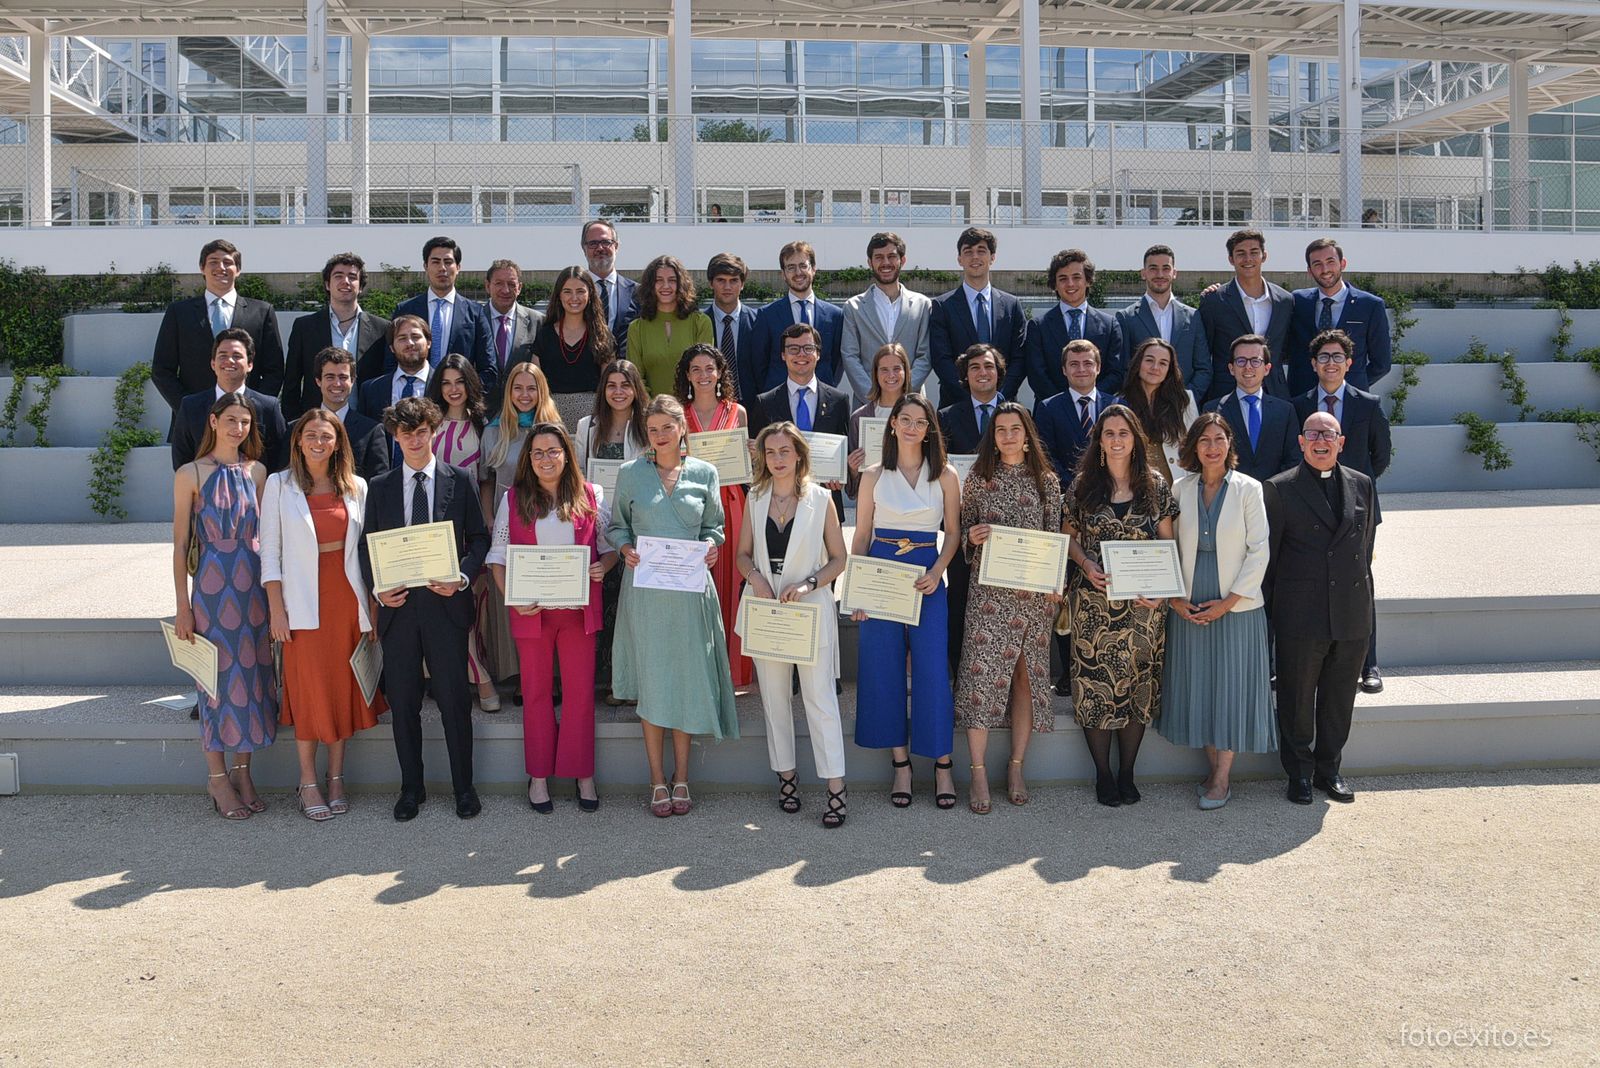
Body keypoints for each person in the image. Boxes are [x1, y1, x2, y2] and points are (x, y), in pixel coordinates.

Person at [359, 396, 490, 821]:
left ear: (433, 432)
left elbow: (481, 540)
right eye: (405, 433)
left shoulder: (460, 479)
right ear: (395, 438)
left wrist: (463, 577)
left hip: (445, 605)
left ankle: (463, 788)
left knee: (454, 701)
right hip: (398, 609)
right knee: (404, 702)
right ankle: (410, 788)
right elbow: (367, 548)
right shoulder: (379, 487)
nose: (414, 440)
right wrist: (379, 590)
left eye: (421, 432)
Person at [607, 395, 739, 817]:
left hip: (689, 592)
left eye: (668, 427)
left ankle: (682, 777)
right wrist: (624, 547)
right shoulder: (630, 474)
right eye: (653, 428)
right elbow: (616, 526)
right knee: (654, 681)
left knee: (682, 680)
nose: (660, 435)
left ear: (682, 428)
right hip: (645, 593)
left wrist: (710, 546)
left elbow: (715, 527)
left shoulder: (705, 472)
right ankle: (656, 780)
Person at [260, 409, 383, 821]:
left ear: (338, 442)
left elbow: (368, 552)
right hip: (301, 607)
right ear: (297, 441)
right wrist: (277, 610)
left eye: (326, 436)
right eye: (310, 434)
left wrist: (372, 607)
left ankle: (336, 777)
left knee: (340, 692)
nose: (318, 442)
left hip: (347, 603)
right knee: (310, 693)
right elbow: (271, 555)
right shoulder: (279, 485)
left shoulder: (357, 486)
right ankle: (308, 780)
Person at [487, 422, 615, 814]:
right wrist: (513, 595)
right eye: (538, 452)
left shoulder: (590, 494)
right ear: (528, 458)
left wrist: (603, 568)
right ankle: (539, 775)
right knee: (537, 694)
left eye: (553, 451)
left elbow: (609, 547)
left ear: (567, 455)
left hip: (578, 614)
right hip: (533, 614)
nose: (546, 459)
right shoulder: (513, 498)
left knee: (578, 695)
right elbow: (497, 557)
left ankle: (582, 774)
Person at [734, 423, 851, 827]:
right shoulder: (756, 497)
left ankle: (836, 787)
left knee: (819, 698)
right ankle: (787, 777)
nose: (778, 459)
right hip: (767, 609)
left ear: (799, 454)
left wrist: (808, 584)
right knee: (774, 697)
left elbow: (839, 559)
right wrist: (756, 579)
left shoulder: (821, 499)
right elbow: (742, 555)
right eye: (771, 452)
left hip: (808, 607)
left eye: (785, 451)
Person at [1061, 404, 1178, 807]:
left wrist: (1164, 588)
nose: (1115, 440)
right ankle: (1104, 775)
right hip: (1095, 607)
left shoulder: (1157, 485)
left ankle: (1128, 772)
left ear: (1135, 439)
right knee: (1097, 691)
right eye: (1108, 433)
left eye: (1122, 433)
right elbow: (1068, 537)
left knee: (1137, 689)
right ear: (1099, 441)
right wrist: (1084, 561)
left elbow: (1168, 542)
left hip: (1145, 610)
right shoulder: (1082, 486)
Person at [1158, 414, 1275, 811]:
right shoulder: (1180, 488)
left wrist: (1228, 603)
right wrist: (1174, 598)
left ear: (1230, 444)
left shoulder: (1249, 489)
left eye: (1219, 438)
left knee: (1229, 688)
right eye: (1204, 439)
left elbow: (1260, 550)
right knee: (1202, 687)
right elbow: (1167, 548)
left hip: (1236, 603)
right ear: (1193, 446)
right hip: (1189, 598)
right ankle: (1212, 771)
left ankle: (1222, 779)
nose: (1212, 446)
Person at [851, 394, 962, 809]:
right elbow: (861, 536)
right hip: (881, 575)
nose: (913, 427)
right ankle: (900, 763)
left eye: (921, 421)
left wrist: (937, 571)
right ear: (893, 424)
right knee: (884, 666)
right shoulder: (873, 475)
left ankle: (942, 763)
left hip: (926, 577)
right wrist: (858, 590)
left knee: (933, 667)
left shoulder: (946, 474)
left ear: (930, 428)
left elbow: (952, 532)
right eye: (906, 419)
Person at [170, 392, 276, 820]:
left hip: (253, 588)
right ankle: (217, 780)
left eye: (245, 422)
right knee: (213, 683)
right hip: (213, 591)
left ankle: (243, 771)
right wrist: (181, 604)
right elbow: (179, 544)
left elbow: (268, 539)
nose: (238, 428)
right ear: (213, 422)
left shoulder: (259, 472)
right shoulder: (190, 472)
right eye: (231, 420)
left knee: (252, 679)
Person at [955, 402, 1063, 814]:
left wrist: (1055, 585)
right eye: (1000, 429)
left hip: (1033, 597)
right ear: (992, 435)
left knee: (1024, 678)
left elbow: (1055, 538)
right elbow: (962, 529)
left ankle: (1016, 766)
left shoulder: (1047, 482)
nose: (1008, 436)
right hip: (989, 596)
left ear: (1027, 433)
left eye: (1015, 429)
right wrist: (974, 536)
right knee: (981, 679)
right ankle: (979, 770)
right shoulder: (979, 478)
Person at [1264, 411, 1376, 805]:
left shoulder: (1363, 484)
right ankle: (1299, 773)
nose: (1321, 440)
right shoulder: (1278, 488)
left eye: (1329, 433)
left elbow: (1365, 551)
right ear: (1301, 442)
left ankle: (1330, 769)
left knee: (1339, 699)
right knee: (1296, 699)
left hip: (1350, 611)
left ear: (1341, 442)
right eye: (1313, 433)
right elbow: (1270, 561)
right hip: (1301, 613)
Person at [1293, 327, 1392, 695]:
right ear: (1313, 364)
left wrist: (1353, 487)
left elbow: (1379, 457)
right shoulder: (1299, 404)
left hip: (1358, 508)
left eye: (1337, 357)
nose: (1330, 363)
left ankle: (1369, 664)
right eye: (1323, 357)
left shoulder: (1369, 404)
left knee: (1359, 581)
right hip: (1309, 507)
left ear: (1349, 363)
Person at [479, 362, 563, 699]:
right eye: (518, 388)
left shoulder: (554, 429)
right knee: (516, 601)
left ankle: (553, 674)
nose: (524, 395)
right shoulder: (493, 431)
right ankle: (521, 675)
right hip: (508, 522)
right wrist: (488, 518)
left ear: (541, 391)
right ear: (509, 392)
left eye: (532, 388)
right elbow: (486, 481)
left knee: (551, 600)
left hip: (548, 523)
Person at [424, 353, 500, 711]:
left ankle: (473, 675)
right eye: (446, 383)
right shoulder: (428, 423)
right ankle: (475, 678)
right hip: (433, 527)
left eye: (459, 382)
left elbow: (487, 479)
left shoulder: (484, 424)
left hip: (471, 526)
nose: (453, 390)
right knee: (441, 604)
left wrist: (486, 519)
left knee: (470, 605)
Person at [676, 342, 753, 690]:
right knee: (699, 585)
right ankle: (700, 670)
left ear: (720, 372)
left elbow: (748, 468)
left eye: (710, 368)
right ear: (687, 376)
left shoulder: (738, 411)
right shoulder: (678, 413)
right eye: (696, 370)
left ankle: (734, 671)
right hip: (693, 507)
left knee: (732, 582)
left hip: (732, 502)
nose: (704, 375)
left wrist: (751, 454)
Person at [574, 359, 650, 705]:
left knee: (631, 608)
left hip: (637, 525)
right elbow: (575, 476)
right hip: (599, 523)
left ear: (636, 390)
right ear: (602, 391)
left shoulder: (649, 427)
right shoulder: (586, 427)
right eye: (612, 386)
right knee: (603, 602)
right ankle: (608, 681)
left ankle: (633, 681)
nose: (619, 392)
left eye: (625, 385)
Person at [937, 342, 1006, 677]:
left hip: (1008, 527)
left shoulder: (1017, 413)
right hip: (963, 526)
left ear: (999, 372)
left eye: (989, 366)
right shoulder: (947, 417)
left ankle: (998, 674)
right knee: (961, 601)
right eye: (975, 367)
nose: (983, 372)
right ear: (965, 375)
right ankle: (961, 672)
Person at [152, 238, 285, 411]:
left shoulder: (261, 312)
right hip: (193, 422)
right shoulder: (179, 312)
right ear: (202, 268)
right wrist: (189, 407)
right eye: (213, 262)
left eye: (227, 262)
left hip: (246, 420)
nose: (221, 268)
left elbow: (274, 370)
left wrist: (254, 408)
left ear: (238, 270)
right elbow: (162, 370)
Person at [280, 252, 390, 420]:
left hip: (366, 424)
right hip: (316, 424)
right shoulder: (305, 327)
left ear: (360, 286)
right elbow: (291, 383)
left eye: (352, 277)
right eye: (338, 276)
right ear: (327, 284)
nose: (345, 281)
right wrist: (295, 423)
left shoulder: (381, 329)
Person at [387, 236, 499, 398]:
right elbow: (390, 361)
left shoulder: (475, 313)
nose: (442, 268)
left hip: (457, 405)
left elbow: (488, 370)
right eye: (435, 262)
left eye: (448, 262)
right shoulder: (405, 309)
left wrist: (462, 395)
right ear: (425, 266)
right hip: (414, 400)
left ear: (458, 267)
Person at [929, 226, 1028, 404]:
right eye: (968, 252)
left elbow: (1019, 359)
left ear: (992, 257)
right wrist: (971, 399)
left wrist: (999, 397)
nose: (975, 257)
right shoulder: (942, 306)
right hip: (957, 406)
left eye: (981, 251)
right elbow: (941, 359)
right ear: (960, 259)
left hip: (1003, 407)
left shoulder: (1012, 305)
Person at [170, 328, 289, 472]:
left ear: (250, 365)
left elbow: (281, 457)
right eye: (223, 355)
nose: (229, 361)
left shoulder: (269, 407)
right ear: (213, 363)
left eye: (237, 356)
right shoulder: (190, 406)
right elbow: (182, 459)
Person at [1197, 229, 1293, 402]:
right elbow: (1205, 352)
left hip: (1274, 393)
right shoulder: (1214, 301)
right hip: (1226, 394)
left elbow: (1285, 348)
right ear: (1231, 259)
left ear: (1264, 256)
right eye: (1240, 253)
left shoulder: (1285, 301)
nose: (1248, 259)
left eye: (1254, 252)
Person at [1288, 237, 1392, 394]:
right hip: (1303, 398)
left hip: (1350, 400)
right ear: (1309, 271)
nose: (1325, 269)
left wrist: (1352, 385)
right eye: (1317, 264)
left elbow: (1382, 363)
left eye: (1331, 262)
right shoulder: (1297, 301)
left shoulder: (1370, 305)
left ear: (1342, 264)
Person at [840, 231, 933, 399]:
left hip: (912, 403)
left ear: (902, 260)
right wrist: (873, 395)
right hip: (867, 402)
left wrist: (904, 393)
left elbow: (925, 356)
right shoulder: (853, 308)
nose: (886, 263)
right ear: (870, 262)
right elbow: (850, 357)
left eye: (891, 256)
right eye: (879, 257)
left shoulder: (923, 305)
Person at [1026, 248, 1126, 399]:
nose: (1070, 284)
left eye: (1076, 277)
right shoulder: (1038, 326)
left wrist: (1089, 400)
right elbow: (1037, 375)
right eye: (1063, 278)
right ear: (1055, 285)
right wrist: (1066, 405)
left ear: (1088, 281)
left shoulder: (1110, 325)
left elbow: (1116, 373)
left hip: (1098, 414)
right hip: (1052, 415)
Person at [1117, 244, 1211, 402]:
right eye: (1153, 268)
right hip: (1141, 407)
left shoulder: (1193, 317)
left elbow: (1204, 368)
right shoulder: (1126, 318)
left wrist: (1187, 398)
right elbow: (1124, 368)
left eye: (1166, 268)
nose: (1160, 274)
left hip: (1183, 407)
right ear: (1143, 273)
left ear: (1174, 273)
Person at [1201, 334, 1300, 484]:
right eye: (1241, 361)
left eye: (1255, 361)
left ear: (1267, 368)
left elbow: (1293, 460)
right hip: (1229, 495)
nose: (1248, 367)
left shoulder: (1285, 411)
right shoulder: (1213, 409)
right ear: (1231, 368)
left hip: (1275, 499)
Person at [750, 240, 846, 391]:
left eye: (803, 266)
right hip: (779, 401)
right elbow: (758, 364)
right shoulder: (766, 315)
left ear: (813, 269)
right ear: (783, 274)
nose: (798, 273)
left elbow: (836, 362)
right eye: (791, 267)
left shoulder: (835, 315)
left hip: (822, 399)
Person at [533, 265, 615, 430]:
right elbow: (536, 380)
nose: (574, 297)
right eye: (567, 291)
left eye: (580, 291)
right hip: (551, 417)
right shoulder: (545, 334)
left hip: (593, 420)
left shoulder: (602, 335)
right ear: (559, 296)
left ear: (590, 294)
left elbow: (609, 381)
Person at [625, 254, 714, 394]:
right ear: (650, 285)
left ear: (681, 284)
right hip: (651, 411)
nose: (665, 286)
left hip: (693, 411)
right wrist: (656, 410)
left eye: (672, 280)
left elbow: (704, 375)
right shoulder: (636, 328)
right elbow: (636, 379)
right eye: (659, 280)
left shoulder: (700, 323)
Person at [1118, 337, 1199, 484]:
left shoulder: (1184, 401)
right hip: (1135, 484)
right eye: (1149, 360)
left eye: (1163, 363)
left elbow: (1195, 446)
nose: (1155, 367)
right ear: (1138, 363)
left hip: (1177, 483)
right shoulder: (1121, 402)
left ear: (1169, 369)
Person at [357, 316, 432, 466]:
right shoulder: (371, 389)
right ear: (392, 347)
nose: (410, 343)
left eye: (416, 336)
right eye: (402, 338)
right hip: (384, 480)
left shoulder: (444, 385)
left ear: (428, 342)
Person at [311, 347, 389, 481]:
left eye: (343, 377)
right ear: (318, 381)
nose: (337, 383)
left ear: (352, 381)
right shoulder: (299, 428)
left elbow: (379, 483)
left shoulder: (371, 431)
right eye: (330, 377)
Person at [847, 342, 911, 497]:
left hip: (912, 499)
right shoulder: (860, 418)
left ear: (906, 372)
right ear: (875, 374)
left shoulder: (920, 414)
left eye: (897, 369)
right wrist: (853, 470)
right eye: (884, 370)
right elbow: (852, 492)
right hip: (874, 503)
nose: (891, 375)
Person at [483, 258, 545, 410]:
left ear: (519, 288)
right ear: (487, 286)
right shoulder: (472, 320)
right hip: (483, 411)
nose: (505, 290)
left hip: (523, 412)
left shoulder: (538, 322)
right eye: (499, 283)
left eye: (511, 284)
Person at [705, 253, 762, 404]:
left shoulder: (758, 321)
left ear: (742, 284)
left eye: (734, 281)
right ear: (711, 283)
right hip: (711, 406)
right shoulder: (700, 323)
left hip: (753, 407)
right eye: (721, 280)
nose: (727, 287)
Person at [582, 219, 637, 350]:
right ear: (584, 249)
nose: (600, 248)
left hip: (622, 367)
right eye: (593, 243)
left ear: (616, 246)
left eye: (606, 242)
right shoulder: (572, 293)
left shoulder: (637, 293)